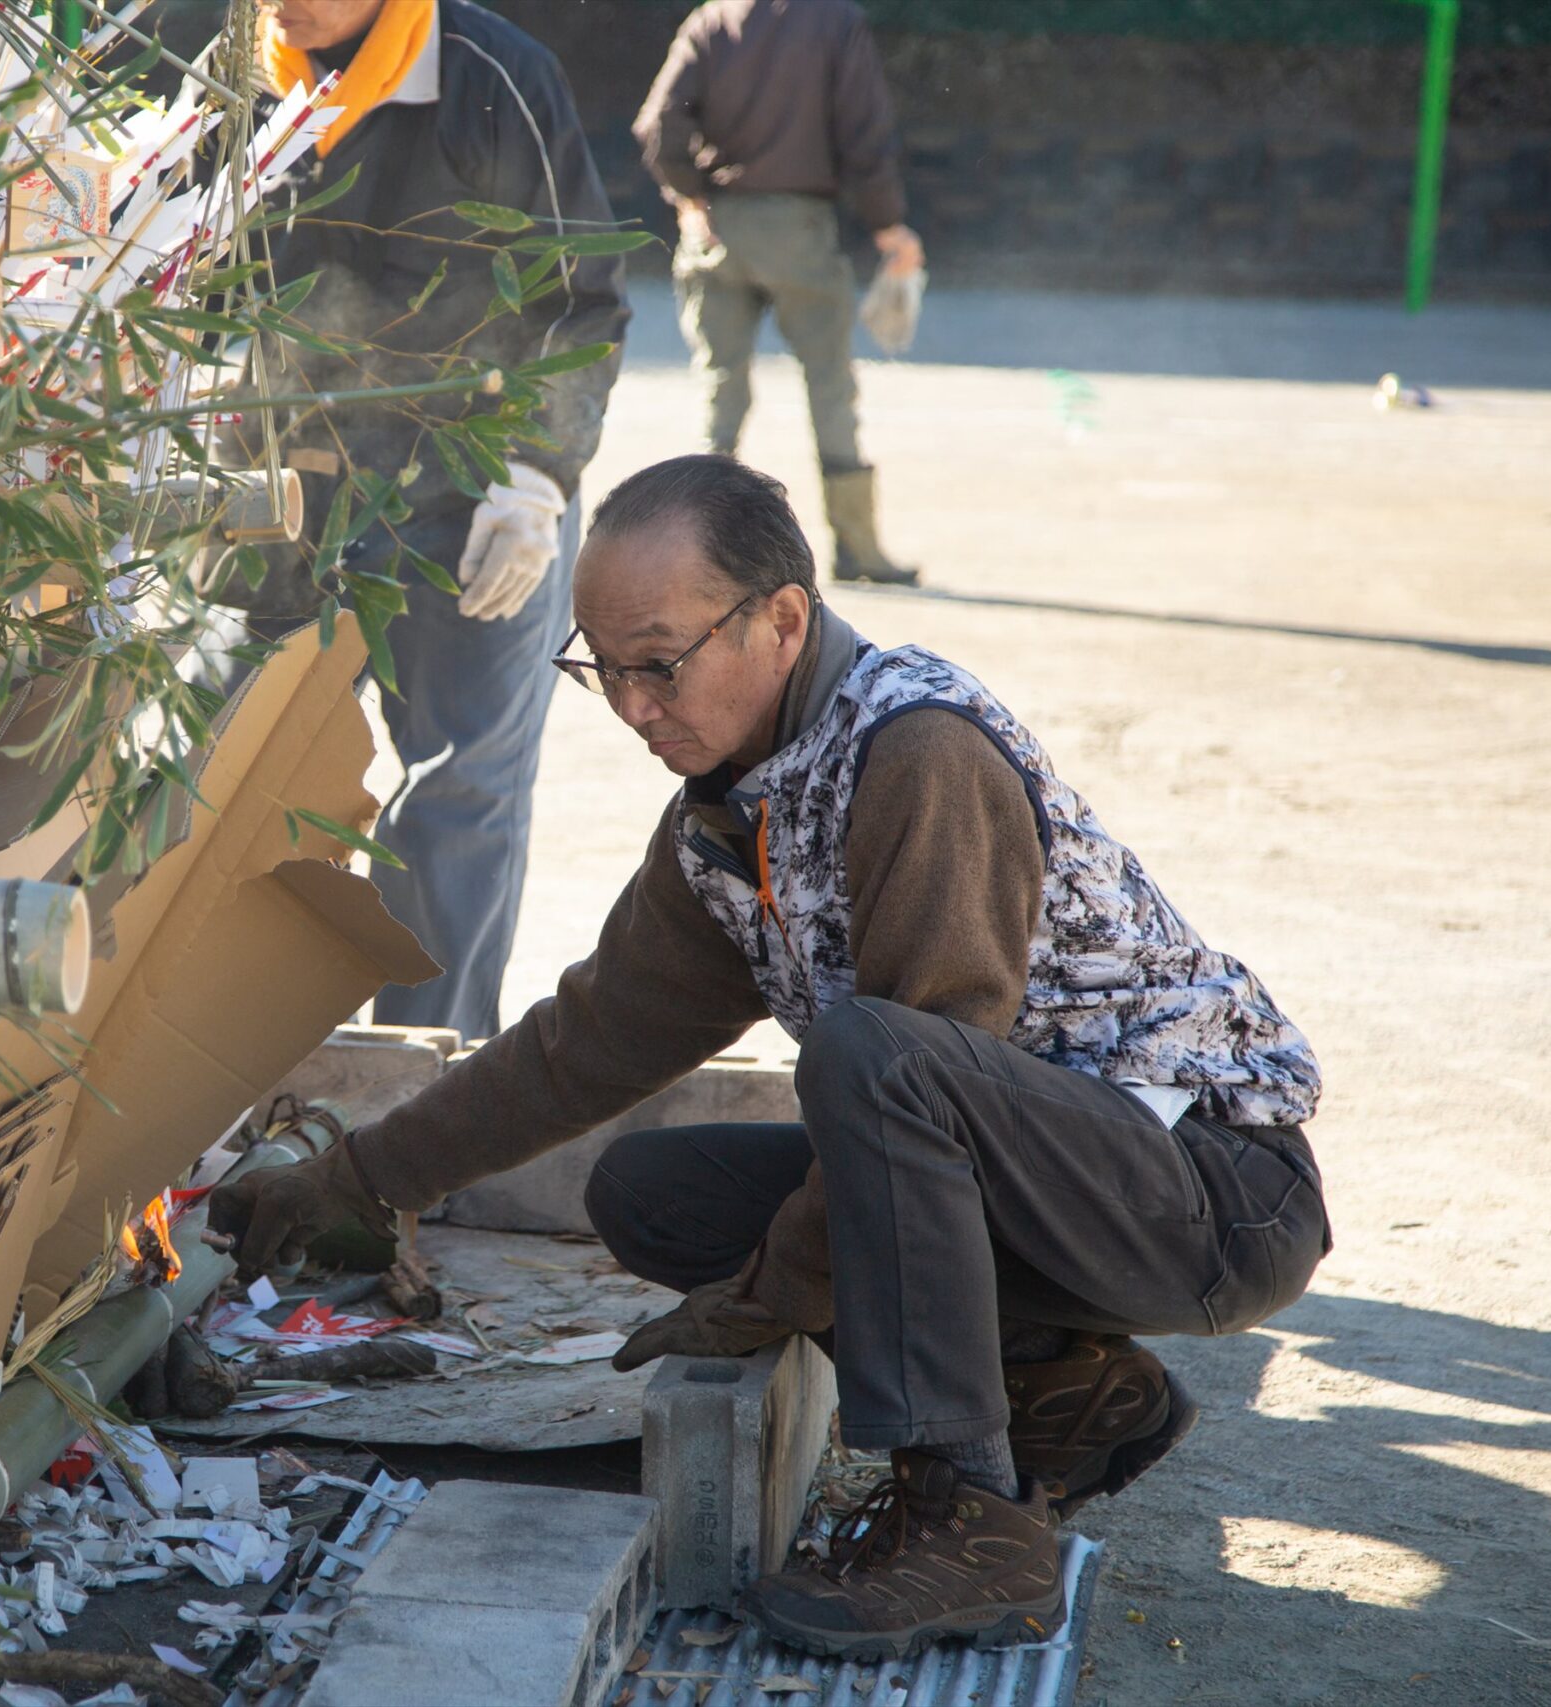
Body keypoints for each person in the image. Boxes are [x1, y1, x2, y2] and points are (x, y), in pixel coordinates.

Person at [211, 455, 1331, 1660]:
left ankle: (970, 1522)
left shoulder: (916, 751)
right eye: (601, 668)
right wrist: (361, 1179)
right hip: (1058, 1190)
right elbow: (589, 1041)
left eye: (658, 664)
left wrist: (774, 1293)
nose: (633, 707)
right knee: (655, 1195)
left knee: (873, 1060)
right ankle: (1059, 1399)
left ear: (781, 619)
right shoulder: (729, 804)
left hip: (1210, 1200)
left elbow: (929, 1061)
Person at [231, 0, 630, 1044]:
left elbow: (578, 298)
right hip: (284, 494)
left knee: (456, 799)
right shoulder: (232, 62)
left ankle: (422, 1085)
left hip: (475, 492)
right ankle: (226, 1074)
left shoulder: (493, 79)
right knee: (241, 788)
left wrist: (537, 476)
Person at [634, 0, 923, 586]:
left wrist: (693, 198)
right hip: (800, 230)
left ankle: (689, 549)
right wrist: (887, 224)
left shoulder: (713, 20)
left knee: (720, 389)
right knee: (829, 386)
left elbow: (659, 126)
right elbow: (864, 133)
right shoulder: (835, 22)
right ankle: (857, 547)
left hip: (716, 231)